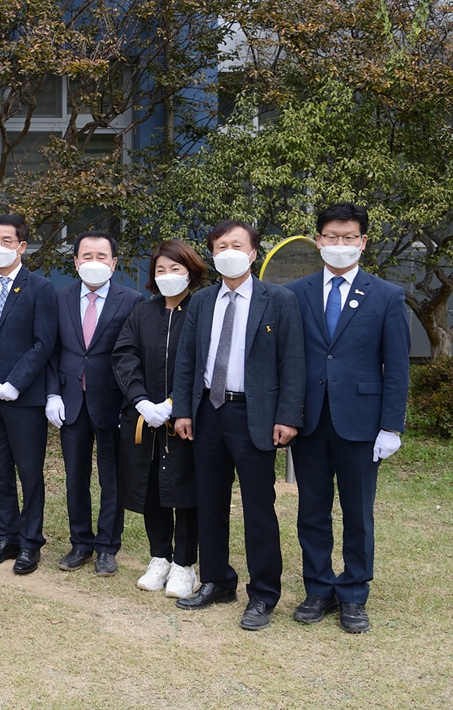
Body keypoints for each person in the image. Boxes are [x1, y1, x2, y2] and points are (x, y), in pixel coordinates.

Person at [171, 220, 305, 630]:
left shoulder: (278, 300)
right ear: (212, 254)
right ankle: (216, 581)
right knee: (209, 502)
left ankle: (263, 594)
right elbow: (188, 360)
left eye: (236, 245)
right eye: (219, 245)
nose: (227, 251)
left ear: (252, 253)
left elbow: (293, 362)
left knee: (257, 507)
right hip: (208, 412)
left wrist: (287, 416)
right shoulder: (202, 301)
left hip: (256, 416)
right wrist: (182, 410)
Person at [286, 203, 409, 633]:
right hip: (311, 419)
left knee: (358, 513)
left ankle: (354, 593)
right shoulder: (296, 293)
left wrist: (391, 425)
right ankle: (318, 588)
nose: (340, 245)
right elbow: (289, 360)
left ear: (363, 242)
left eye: (349, 237)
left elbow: (396, 366)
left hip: (361, 422)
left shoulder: (387, 295)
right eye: (332, 237)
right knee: (312, 511)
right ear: (318, 240)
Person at [0, 214, 58, 574]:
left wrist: (14, 383)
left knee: (29, 472)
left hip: (25, 398)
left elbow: (43, 343)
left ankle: (30, 543)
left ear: (22, 246)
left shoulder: (40, 288)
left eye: (7, 241)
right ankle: (5, 535)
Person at [112, 239, 207, 599]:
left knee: (184, 490)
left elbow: (205, 362)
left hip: (186, 420)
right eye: (161, 270)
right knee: (151, 488)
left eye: (176, 269)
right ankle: (159, 557)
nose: (168, 276)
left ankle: (185, 564)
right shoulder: (142, 312)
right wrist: (141, 401)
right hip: (145, 420)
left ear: (191, 272)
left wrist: (176, 403)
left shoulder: (201, 311)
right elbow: (124, 355)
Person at [45, 231, 139, 576]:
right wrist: (52, 393)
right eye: (87, 256)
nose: (94, 263)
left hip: (112, 402)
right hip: (70, 400)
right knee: (75, 477)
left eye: (102, 257)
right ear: (75, 262)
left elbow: (132, 355)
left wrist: (129, 400)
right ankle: (80, 542)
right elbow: (52, 350)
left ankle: (107, 547)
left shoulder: (131, 300)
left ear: (114, 263)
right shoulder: (60, 298)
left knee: (111, 478)